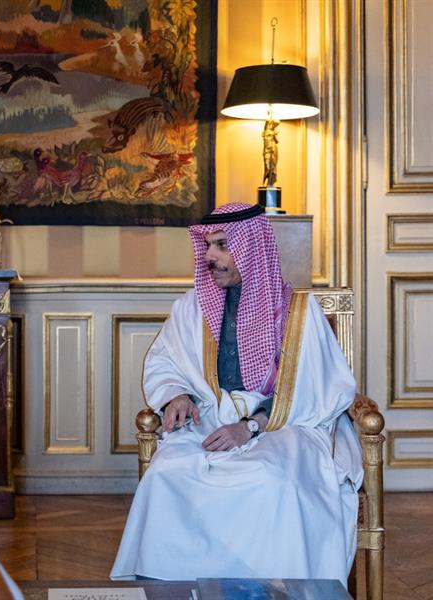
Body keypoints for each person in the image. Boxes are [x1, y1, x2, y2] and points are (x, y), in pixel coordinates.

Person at [110, 202, 363, 584]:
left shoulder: (299, 312)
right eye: (208, 245)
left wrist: (249, 427)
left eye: (222, 245)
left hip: (284, 425)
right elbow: (166, 360)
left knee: (271, 481)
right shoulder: (193, 309)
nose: (209, 256)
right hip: (210, 417)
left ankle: (273, 590)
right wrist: (177, 395)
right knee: (164, 476)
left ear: (251, 250)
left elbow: (316, 389)